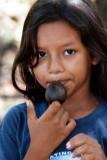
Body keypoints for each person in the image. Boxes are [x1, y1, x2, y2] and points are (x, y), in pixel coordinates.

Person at [0, 0, 107, 159]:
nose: (54, 67)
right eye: (41, 54)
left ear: (93, 54)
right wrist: (37, 150)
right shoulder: (17, 122)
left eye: (68, 51)